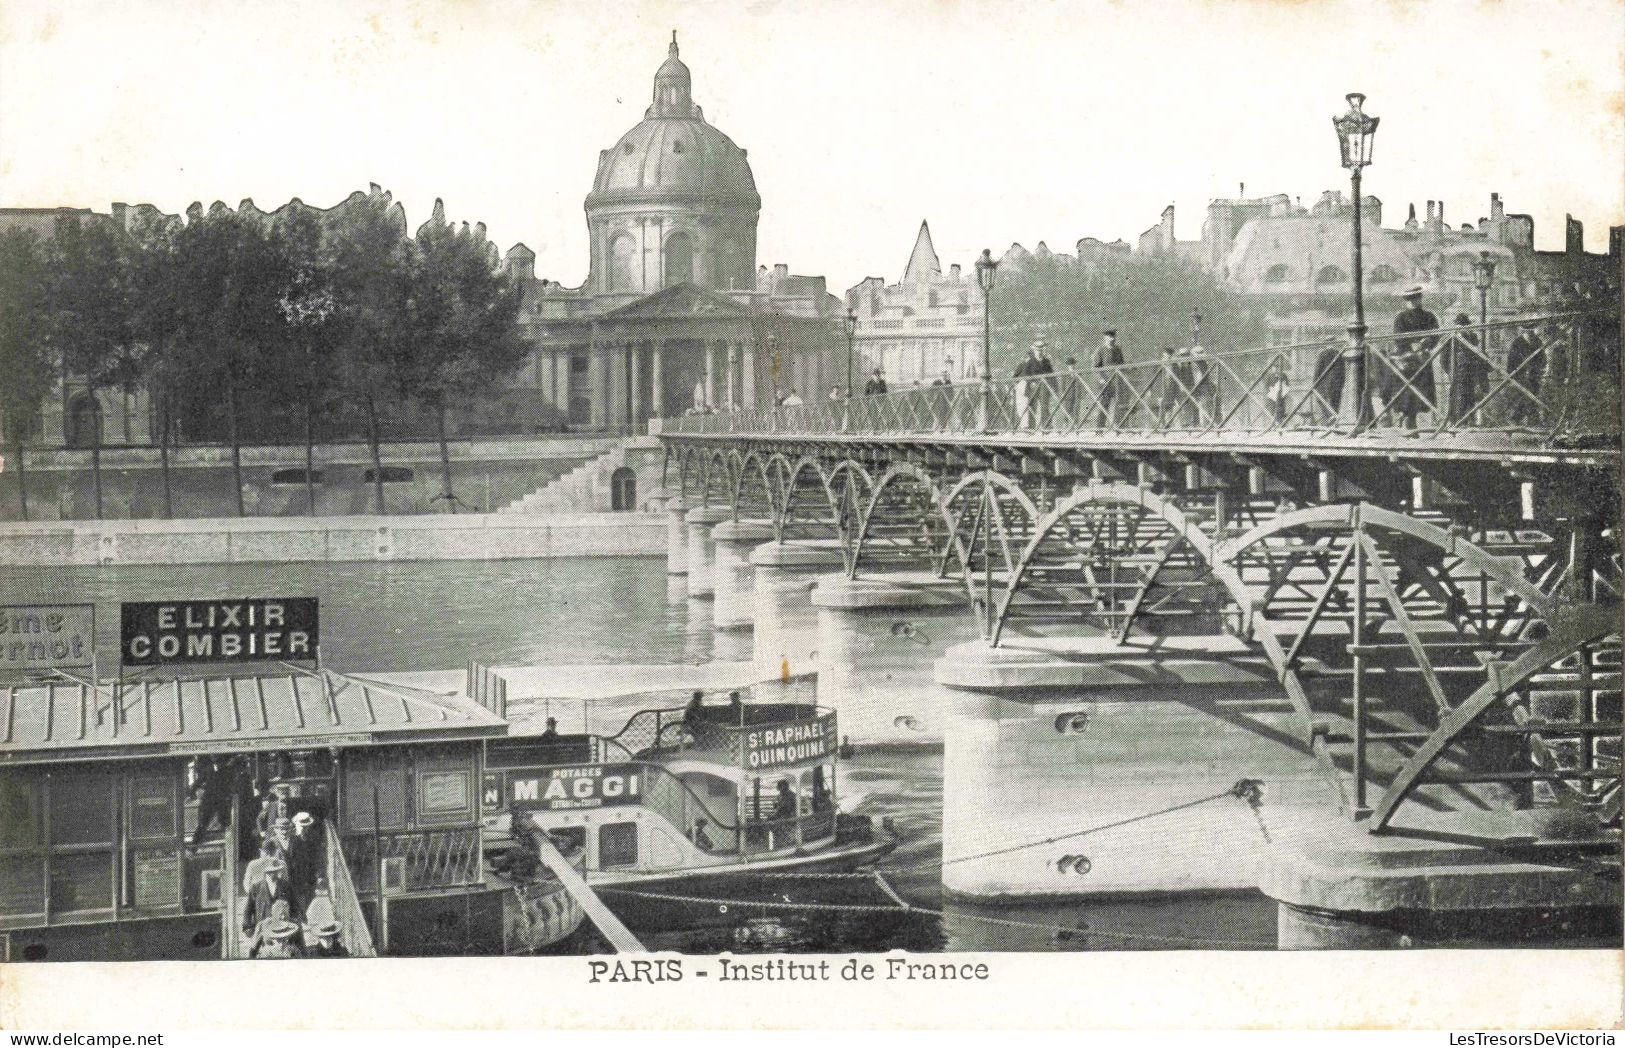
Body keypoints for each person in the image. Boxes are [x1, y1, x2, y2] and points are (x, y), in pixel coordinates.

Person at [1387, 285, 1439, 429]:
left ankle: (1413, 423)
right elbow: (1398, 338)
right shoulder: (1401, 317)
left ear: (1420, 299)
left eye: (1415, 298)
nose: (1412, 301)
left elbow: (1436, 334)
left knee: (1422, 392)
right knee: (1407, 393)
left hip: (1423, 359)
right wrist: (1412, 345)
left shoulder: (1429, 316)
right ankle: (1408, 424)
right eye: (1409, 299)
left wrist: (1427, 342)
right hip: (1407, 360)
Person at [1447, 312, 1489, 425]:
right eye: (1460, 326)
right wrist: (1450, 371)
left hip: (1471, 372)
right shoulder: (1452, 337)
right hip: (1458, 372)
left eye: (1463, 326)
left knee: (1471, 397)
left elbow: (1478, 353)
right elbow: (1445, 357)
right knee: (1459, 397)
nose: (1461, 328)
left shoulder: (1472, 337)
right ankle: (1457, 422)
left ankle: (1470, 421)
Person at [242, 858, 292, 941]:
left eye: (276, 871)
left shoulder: (286, 886)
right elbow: (248, 908)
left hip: (282, 929)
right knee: (255, 949)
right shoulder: (256, 887)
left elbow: (294, 906)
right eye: (271, 872)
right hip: (263, 928)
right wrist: (247, 926)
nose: (274, 874)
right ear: (266, 872)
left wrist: (293, 920)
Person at [1504, 325, 1544, 424]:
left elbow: (1542, 358)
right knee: (1522, 397)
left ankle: (1532, 420)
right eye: (1528, 331)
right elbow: (1511, 360)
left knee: (1534, 395)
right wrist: (1512, 374)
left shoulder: (1538, 342)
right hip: (1520, 375)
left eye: (1531, 331)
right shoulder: (1517, 343)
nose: (1530, 333)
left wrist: (1538, 369)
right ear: (1524, 332)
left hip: (1534, 375)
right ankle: (1516, 418)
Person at [1013, 339, 1055, 429]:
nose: (1039, 352)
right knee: (1032, 407)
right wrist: (1031, 381)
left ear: (1043, 351)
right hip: (1032, 387)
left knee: (1044, 406)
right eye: (1037, 350)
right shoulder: (1030, 362)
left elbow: (1051, 374)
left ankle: (1046, 427)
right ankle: (1031, 428)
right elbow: (1026, 374)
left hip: (1043, 387)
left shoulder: (1047, 362)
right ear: (1034, 351)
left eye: (1041, 350)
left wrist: (1052, 386)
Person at [287, 811, 322, 916]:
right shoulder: (291, 837)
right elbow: (289, 855)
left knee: (311, 894)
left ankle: (303, 912)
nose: (304, 828)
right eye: (301, 825)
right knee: (299, 895)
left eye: (306, 826)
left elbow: (317, 854)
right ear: (296, 824)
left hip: (310, 870)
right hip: (296, 871)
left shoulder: (312, 837)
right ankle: (301, 914)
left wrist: (318, 872)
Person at [1091, 330, 1123, 427]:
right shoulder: (1100, 350)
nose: (1112, 339)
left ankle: (1118, 427)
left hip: (1116, 381)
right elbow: (1095, 367)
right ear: (1105, 338)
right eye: (1109, 337)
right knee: (1104, 405)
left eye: (1113, 337)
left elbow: (1122, 364)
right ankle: (1099, 429)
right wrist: (1100, 378)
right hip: (1105, 382)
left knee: (1119, 405)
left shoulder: (1118, 350)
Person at [1313, 341, 1346, 425]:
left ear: (1326, 344)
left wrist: (1314, 383)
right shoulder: (1339, 353)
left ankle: (1329, 418)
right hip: (1337, 383)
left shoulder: (1322, 353)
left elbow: (1317, 370)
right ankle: (1334, 421)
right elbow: (1343, 371)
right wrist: (1342, 383)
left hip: (1325, 384)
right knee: (1335, 402)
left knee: (1322, 400)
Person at [1264, 359, 1290, 427]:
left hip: (1281, 397)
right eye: (1274, 367)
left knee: (1281, 411)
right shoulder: (1269, 376)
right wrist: (1270, 390)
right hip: (1272, 397)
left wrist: (1284, 390)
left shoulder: (1283, 375)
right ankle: (1273, 425)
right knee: (1272, 411)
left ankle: (1281, 424)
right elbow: (1266, 386)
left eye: (1277, 367)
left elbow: (1287, 384)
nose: (1276, 369)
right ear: (1272, 368)